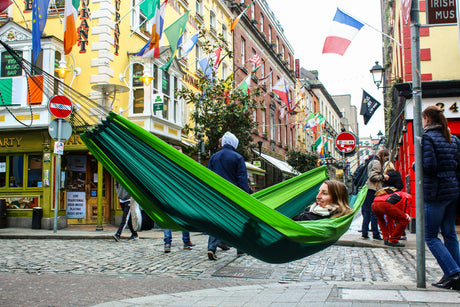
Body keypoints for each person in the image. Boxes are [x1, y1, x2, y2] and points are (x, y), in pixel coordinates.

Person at [421, 106, 460, 290]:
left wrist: (415, 166)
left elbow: (429, 166)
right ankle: (455, 273)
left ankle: (453, 272)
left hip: (436, 192)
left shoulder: (428, 137)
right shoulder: (453, 139)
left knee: (430, 236)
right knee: (449, 233)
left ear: (427, 119)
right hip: (452, 190)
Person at [207, 132, 250, 260]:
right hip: (233, 196)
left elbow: (208, 177)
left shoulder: (214, 157)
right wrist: (246, 197)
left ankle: (211, 247)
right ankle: (240, 249)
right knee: (238, 221)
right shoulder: (238, 158)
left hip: (217, 195)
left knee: (216, 222)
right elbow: (242, 179)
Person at [372, 161, 411, 247]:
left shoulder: (385, 186)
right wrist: (406, 213)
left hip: (375, 202)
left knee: (382, 219)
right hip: (386, 203)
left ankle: (386, 238)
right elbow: (407, 198)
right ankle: (393, 240)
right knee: (404, 219)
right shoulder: (400, 193)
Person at [360, 148, 389, 240]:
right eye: (386, 158)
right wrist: (383, 177)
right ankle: (375, 234)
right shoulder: (376, 162)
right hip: (372, 189)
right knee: (374, 212)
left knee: (367, 212)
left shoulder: (373, 161)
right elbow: (372, 176)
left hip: (369, 189)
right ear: (383, 156)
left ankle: (365, 232)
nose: (386, 160)